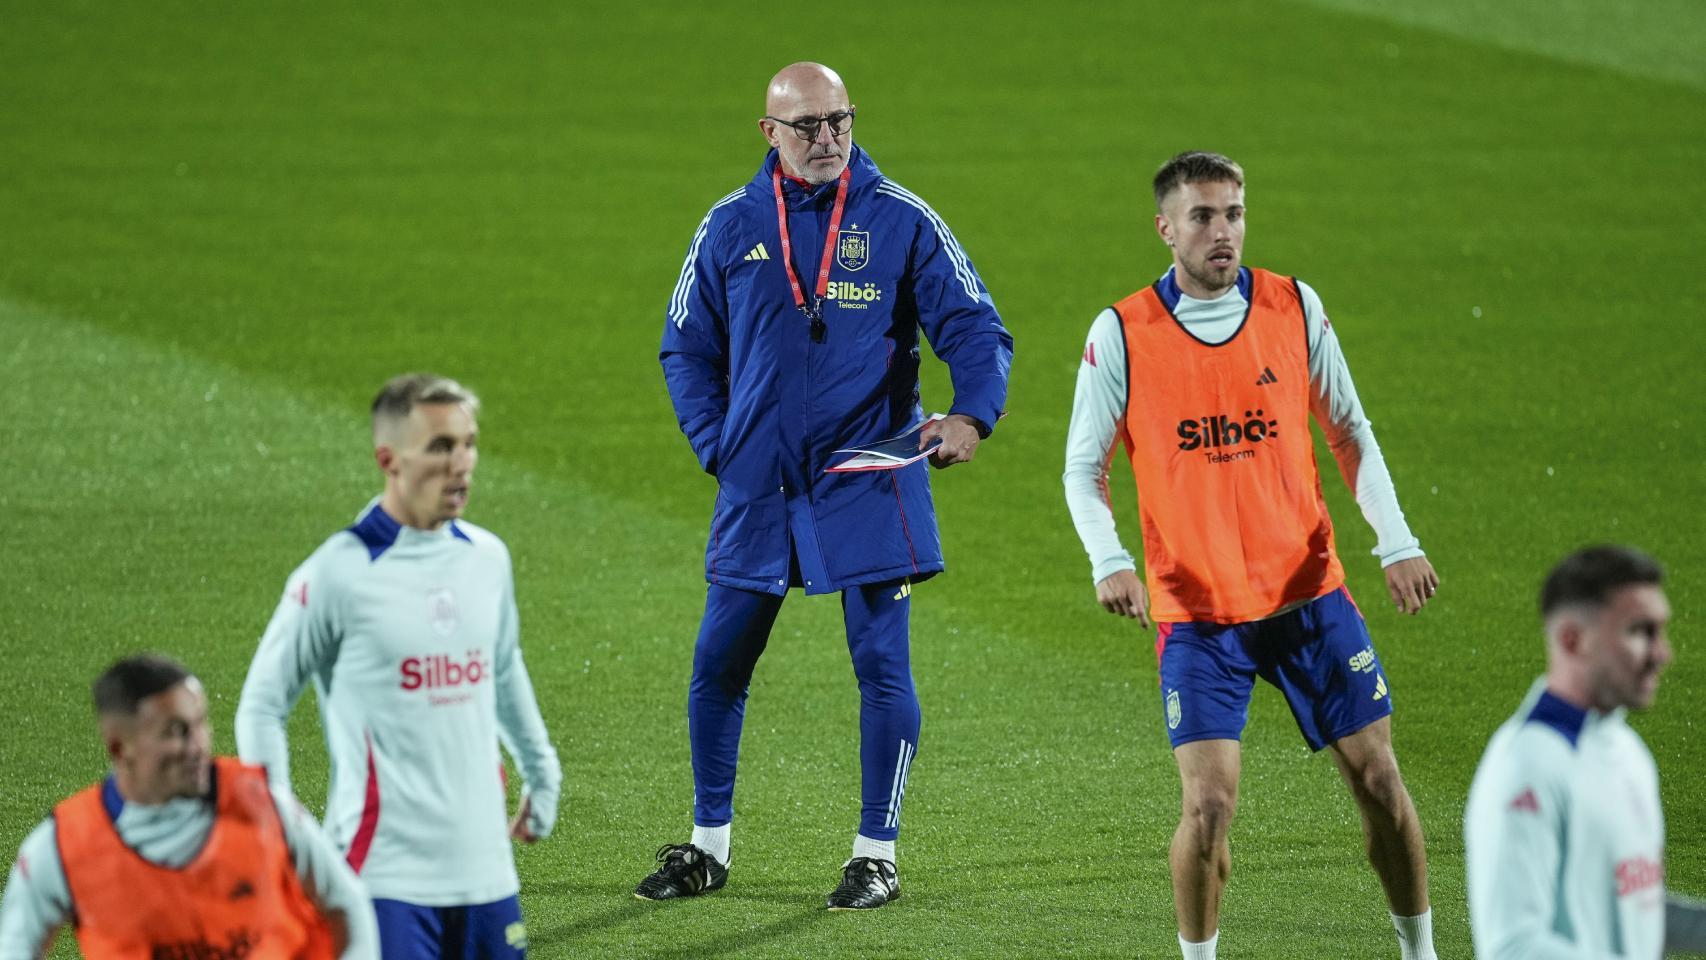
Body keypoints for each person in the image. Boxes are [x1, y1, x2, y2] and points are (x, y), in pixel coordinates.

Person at [649, 61, 1013, 911]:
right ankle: (707, 848)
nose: (826, 140)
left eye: (839, 121)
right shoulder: (732, 224)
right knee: (719, 662)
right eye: (807, 126)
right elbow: (684, 348)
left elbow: (974, 325)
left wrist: (972, 416)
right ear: (768, 133)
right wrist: (720, 445)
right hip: (760, 488)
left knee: (881, 664)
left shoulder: (900, 220)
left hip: (868, 477)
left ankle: (874, 855)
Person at [1062, 151, 1441, 959]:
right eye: (1202, 216)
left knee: (1381, 783)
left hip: (1309, 597)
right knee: (1207, 811)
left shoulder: (1292, 306)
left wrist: (1396, 541)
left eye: (1233, 213)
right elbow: (1082, 470)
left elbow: (1349, 430)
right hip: (1198, 618)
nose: (1221, 231)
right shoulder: (1123, 331)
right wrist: (1109, 559)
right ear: (1165, 229)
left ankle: (1421, 952)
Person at [235, 373, 562, 958]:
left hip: (489, 874)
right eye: (440, 447)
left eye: (468, 443)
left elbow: (504, 669)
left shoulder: (487, 559)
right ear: (389, 458)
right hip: (382, 878)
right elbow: (262, 703)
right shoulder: (337, 573)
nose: (461, 463)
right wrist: (276, 819)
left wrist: (541, 771)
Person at [0, 654, 378, 959]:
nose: (198, 745)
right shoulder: (66, 846)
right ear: (119, 747)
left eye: (200, 724)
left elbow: (347, 903)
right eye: (176, 731)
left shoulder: (263, 806)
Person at [1465, 545, 1706, 958]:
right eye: (1639, 632)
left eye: (1659, 631)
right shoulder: (1528, 766)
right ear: (1572, 640)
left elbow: (1627, 912)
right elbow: (1514, 947)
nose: (1662, 653)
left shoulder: (1627, 750)